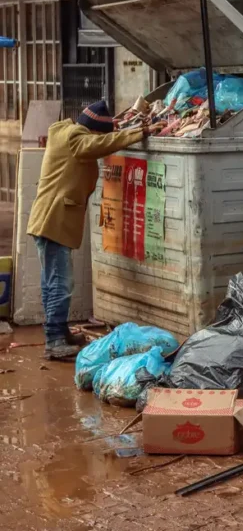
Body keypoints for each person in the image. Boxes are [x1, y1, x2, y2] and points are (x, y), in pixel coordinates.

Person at [27, 101, 159, 360]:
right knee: (60, 283)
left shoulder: (64, 132)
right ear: (94, 131)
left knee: (53, 281)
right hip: (54, 220)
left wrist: (116, 127)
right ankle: (54, 341)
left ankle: (59, 332)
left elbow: (96, 140)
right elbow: (96, 145)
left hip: (48, 219)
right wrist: (139, 132)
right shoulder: (76, 139)